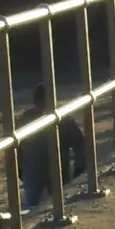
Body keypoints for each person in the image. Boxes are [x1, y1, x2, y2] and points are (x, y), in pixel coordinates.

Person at [19, 84, 88, 212]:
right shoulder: (27, 119)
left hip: (56, 167)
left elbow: (79, 144)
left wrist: (80, 165)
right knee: (32, 205)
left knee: (60, 201)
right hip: (35, 169)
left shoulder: (64, 119)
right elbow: (17, 147)